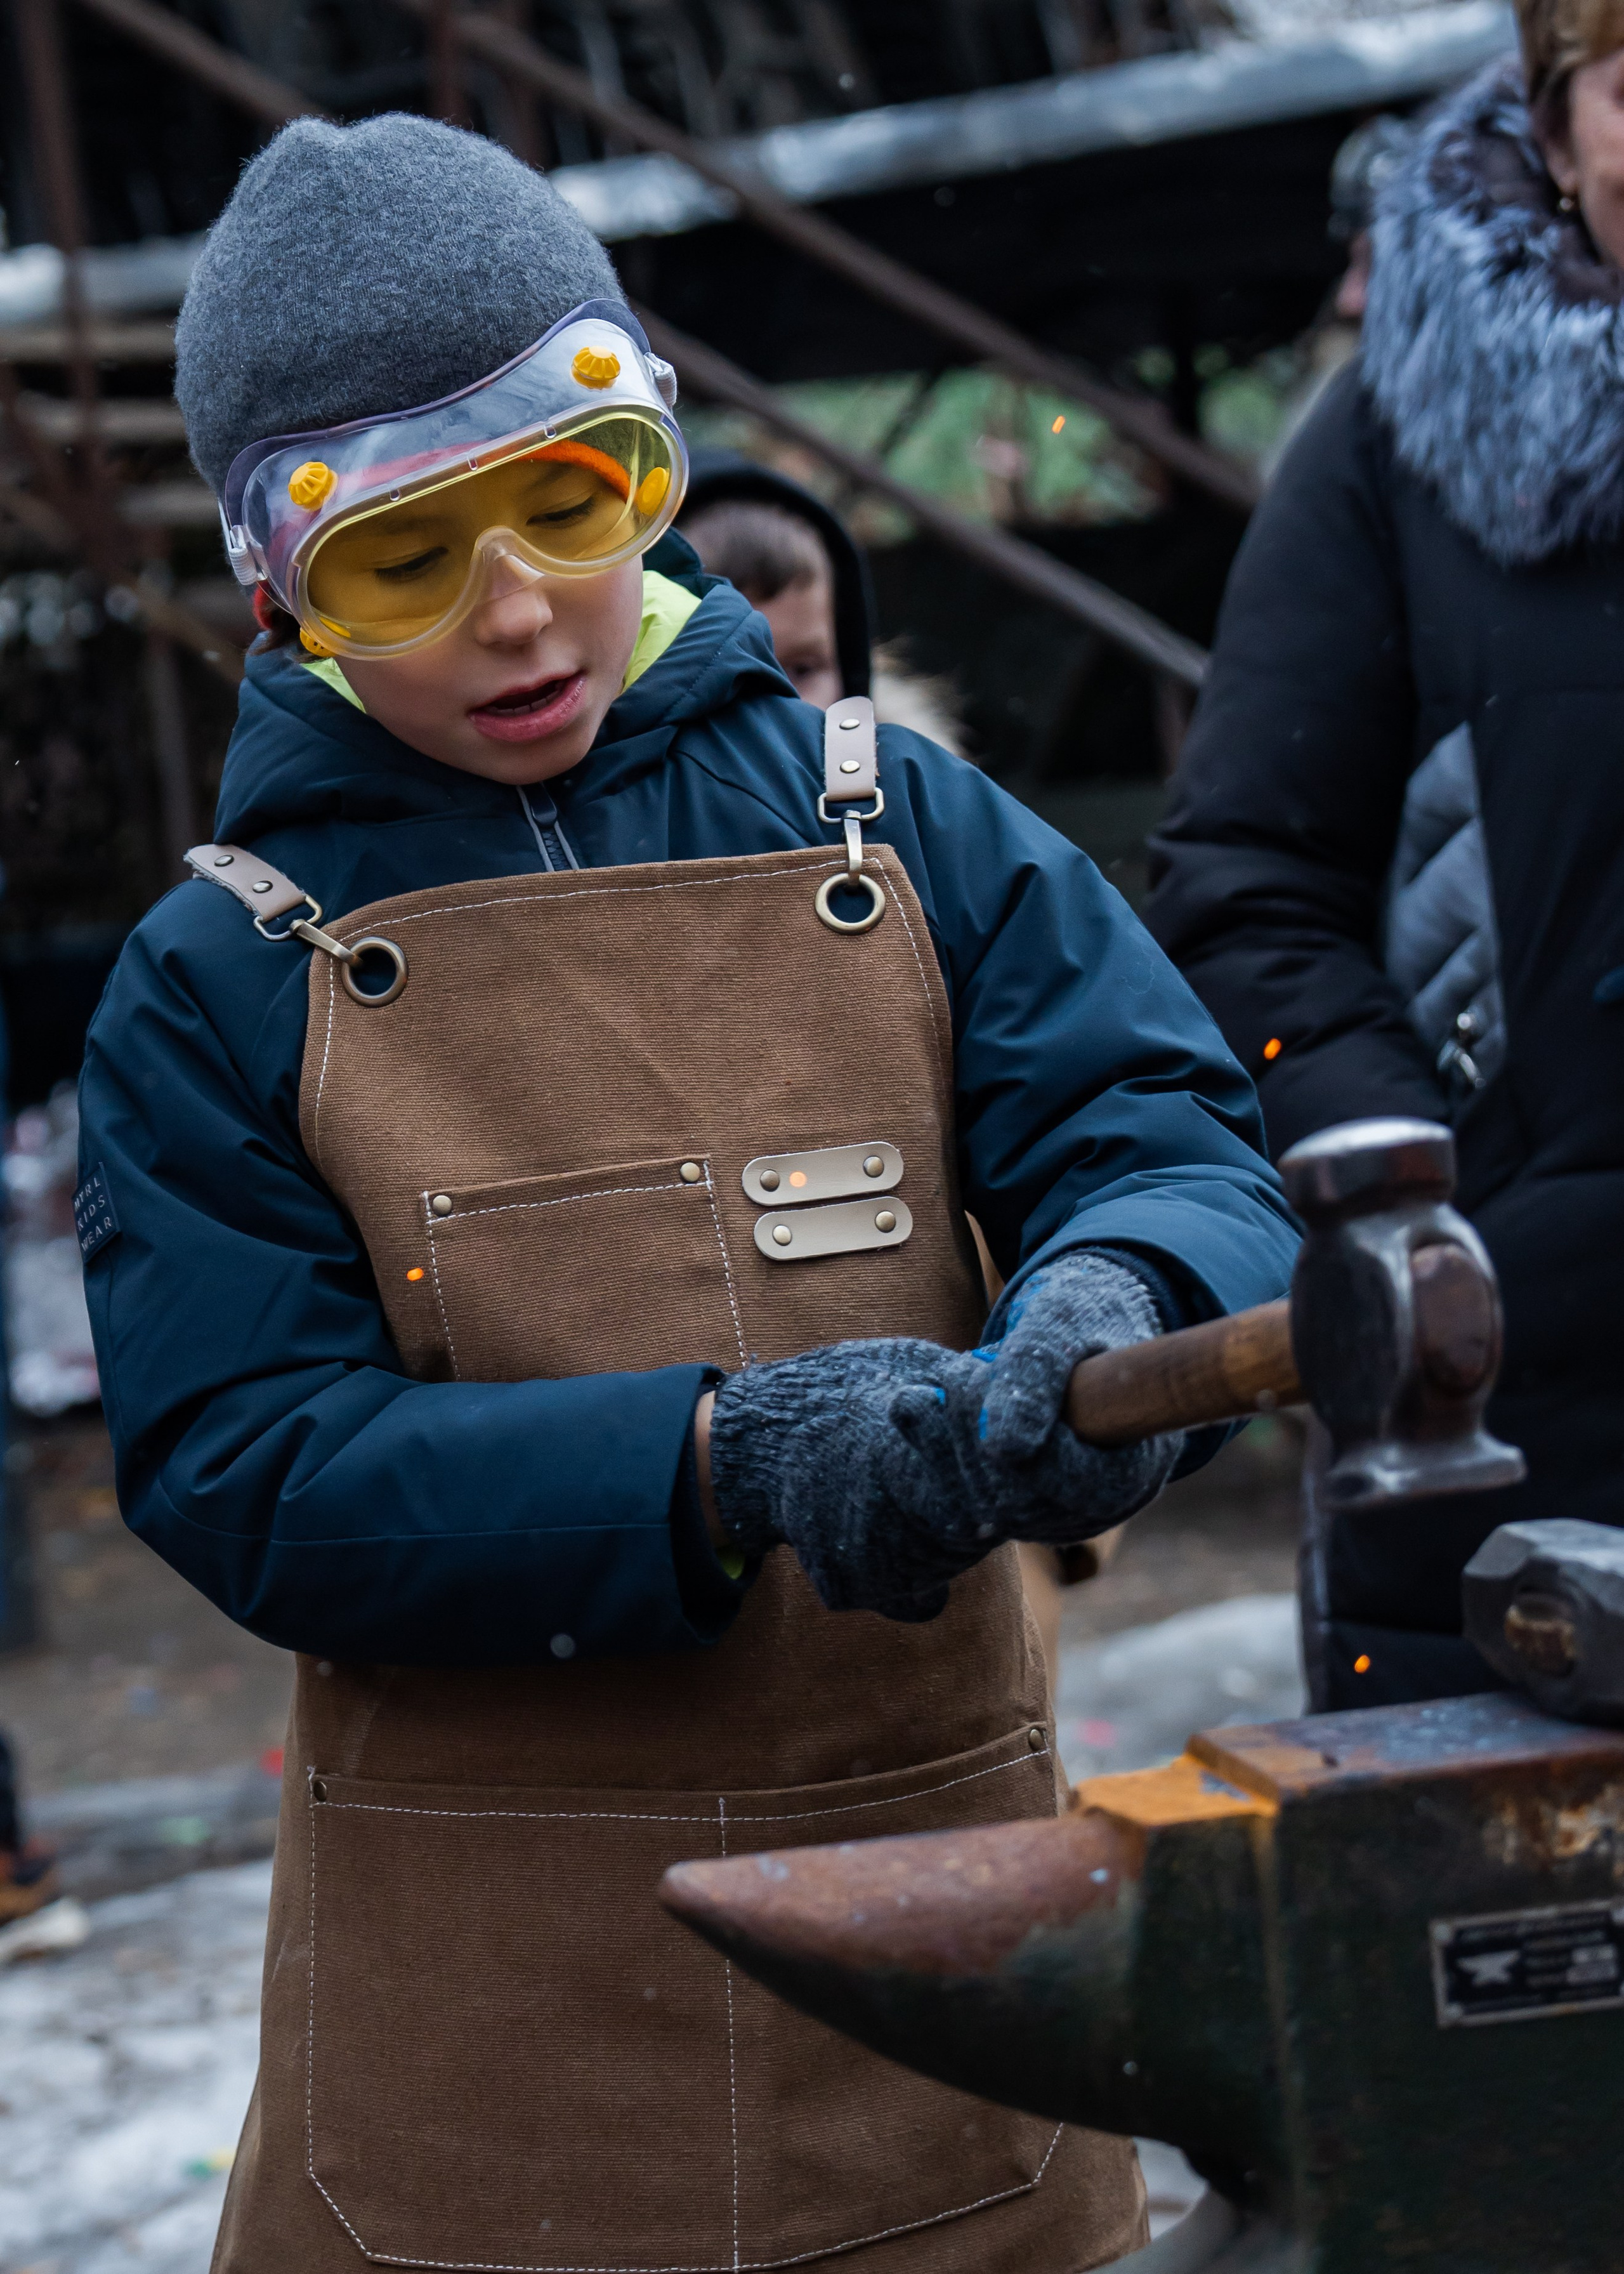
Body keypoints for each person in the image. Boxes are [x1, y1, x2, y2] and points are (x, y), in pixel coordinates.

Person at [77, 115, 1295, 2274]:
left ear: (653, 453)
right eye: (400, 558)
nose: (520, 609)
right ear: (275, 586)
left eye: (574, 499)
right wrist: (721, 1459)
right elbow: (249, 1461)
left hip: (959, 1982)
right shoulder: (212, 975)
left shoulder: (896, 819)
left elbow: (1169, 1140)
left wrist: (1120, 1294)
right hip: (486, 2058)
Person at [1144, 0, 1624, 1711]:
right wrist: (1407, 1193)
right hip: (1536, 1416)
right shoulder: (1397, 458)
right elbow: (1249, 877)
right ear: (1560, 129)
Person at [681, 450, 967, 749]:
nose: (778, 707)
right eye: (731, 676)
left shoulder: (909, 785)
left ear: (849, 664)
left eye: (802, 670)